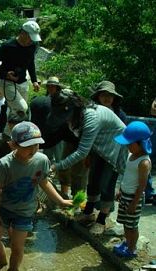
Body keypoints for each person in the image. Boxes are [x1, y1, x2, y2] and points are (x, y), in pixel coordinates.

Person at [0, 122, 72, 271]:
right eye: (28, 146)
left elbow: (44, 182)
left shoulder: (41, 160)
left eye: (36, 145)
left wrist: (60, 200)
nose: (33, 149)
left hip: (25, 211)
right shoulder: (4, 165)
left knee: (18, 247)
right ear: (13, 145)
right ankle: (1, 262)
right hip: (3, 209)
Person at [48, 90, 127, 235]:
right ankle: (88, 213)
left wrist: (56, 166)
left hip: (115, 146)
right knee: (93, 180)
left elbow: (81, 151)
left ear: (72, 108)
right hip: (98, 147)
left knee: (106, 184)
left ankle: (101, 220)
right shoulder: (76, 117)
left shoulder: (91, 117)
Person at [0, 21, 41, 134]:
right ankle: (10, 136)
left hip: (23, 82)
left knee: (16, 112)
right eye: (30, 37)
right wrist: (5, 73)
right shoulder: (7, 46)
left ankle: (7, 135)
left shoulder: (32, 46)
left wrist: (34, 80)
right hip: (6, 82)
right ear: (23, 33)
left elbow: (30, 63)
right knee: (22, 108)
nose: (31, 40)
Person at [113, 121, 152, 258]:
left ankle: (132, 248)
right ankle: (126, 242)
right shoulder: (131, 156)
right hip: (125, 194)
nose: (128, 146)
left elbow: (142, 186)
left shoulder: (144, 162)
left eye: (130, 144)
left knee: (132, 226)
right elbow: (127, 176)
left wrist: (134, 203)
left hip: (134, 197)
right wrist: (121, 190)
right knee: (125, 222)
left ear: (140, 143)